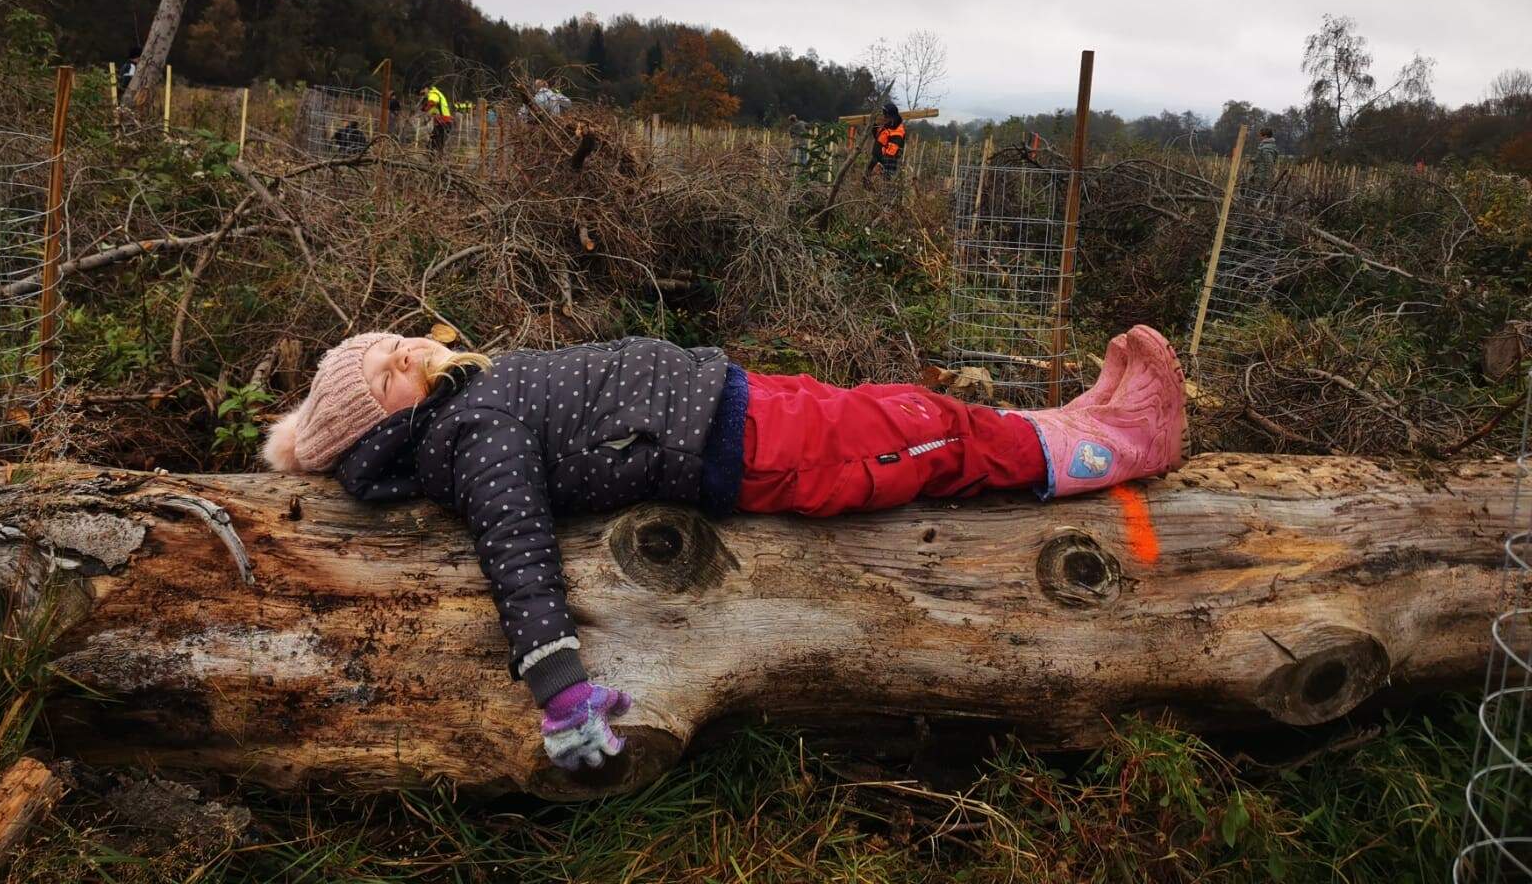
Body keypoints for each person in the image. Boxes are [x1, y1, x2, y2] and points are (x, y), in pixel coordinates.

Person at [262, 324, 1186, 773]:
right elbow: (515, 548)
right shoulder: (468, 436)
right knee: (926, 431)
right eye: (384, 373)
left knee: (903, 409)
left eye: (388, 345)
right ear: (381, 423)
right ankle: (1119, 445)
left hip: (732, 401)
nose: (403, 352)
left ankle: (1075, 423)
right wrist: (558, 687)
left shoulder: (466, 401)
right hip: (745, 448)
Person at [864, 102, 907, 184]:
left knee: (884, 184)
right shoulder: (888, 126)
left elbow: (892, 151)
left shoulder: (898, 130)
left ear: (891, 115)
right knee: (866, 180)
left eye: (886, 115)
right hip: (877, 159)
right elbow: (880, 138)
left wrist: (880, 164)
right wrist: (874, 127)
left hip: (887, 162)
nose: (884, 117)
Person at [420, 82, 454, 156]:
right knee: (435, 143)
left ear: (426, 89)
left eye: (423, 93)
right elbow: (433, 111)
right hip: (442, 122)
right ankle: (434, 158)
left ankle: (435, 158)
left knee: (435, 143)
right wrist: (425, 114)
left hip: (444, 122)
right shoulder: (436, 95)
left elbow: (432, 103)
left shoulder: (433, 93)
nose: (423, 95)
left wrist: (425, 109)